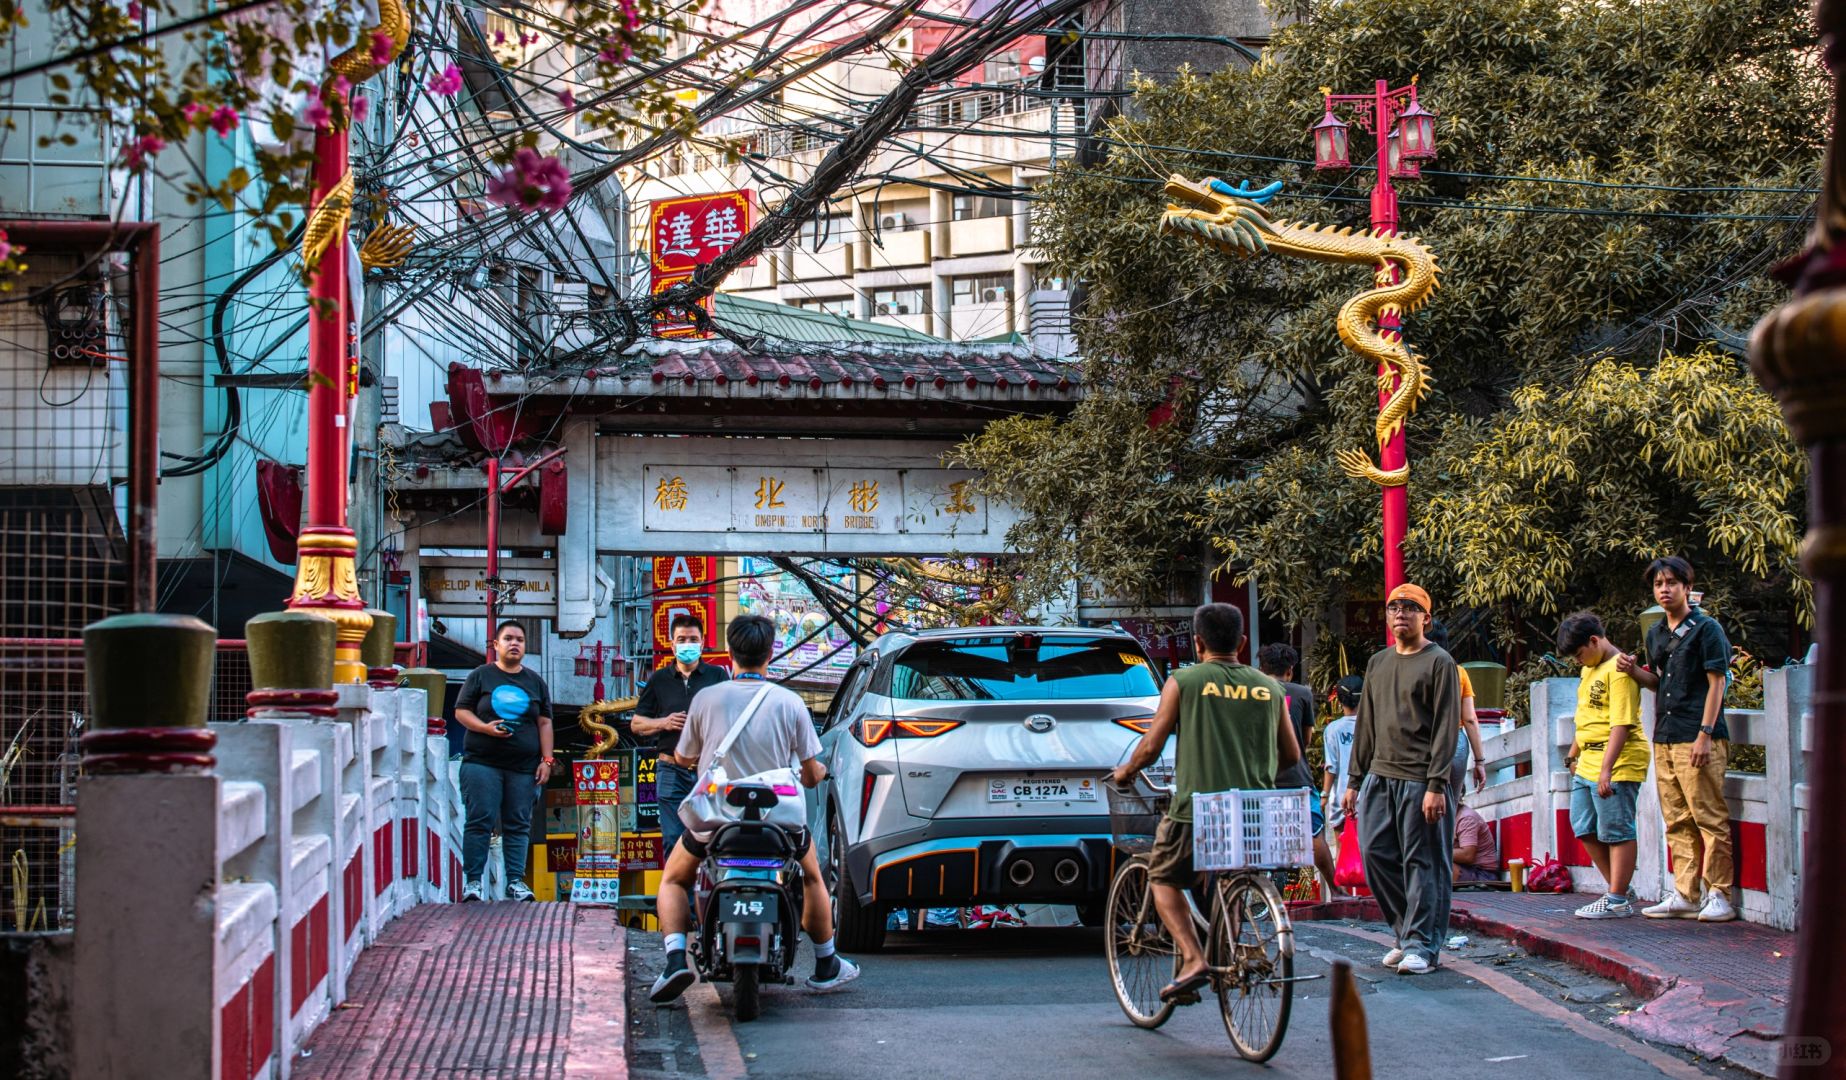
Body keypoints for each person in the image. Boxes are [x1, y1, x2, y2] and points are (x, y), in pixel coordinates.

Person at [649, 614, 860, 1003]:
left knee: (674, 878)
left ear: (729, 653)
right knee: (813, 876)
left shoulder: (705, 699)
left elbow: (684, 756)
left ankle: (676, 958)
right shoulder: (790, 702)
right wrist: (817, 771)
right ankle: (826, 962)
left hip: (717, 820)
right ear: (770, 654)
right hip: (778, 823)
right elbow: (811, 774)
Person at [1111, 603, 1301, 1003]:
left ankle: (1195, 958)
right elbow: (1292, 757)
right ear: (1242, 643)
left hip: (1197, 807)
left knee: (1162, 878)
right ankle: (1225, 955)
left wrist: (1126, 772)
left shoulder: (1185, 680)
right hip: (1254, 811)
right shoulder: (1269, 688)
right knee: (1231, 875)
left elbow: (1150, 746)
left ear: (1198, 643)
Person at [1341, 583, 1461, 975]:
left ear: (1425, 617)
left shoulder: (1439, 662)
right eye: (1394, 607)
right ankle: (1406, 931)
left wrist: (1436, 784)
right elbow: (1367, 725)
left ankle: (1422, 946)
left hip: (1419, 778)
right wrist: (1353, 780)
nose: (1400, 614)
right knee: (1376, 856)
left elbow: (1447, 727)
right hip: (1379, 775)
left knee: (1423, 861)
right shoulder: (1378, 662)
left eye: (1410, 608)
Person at [1617, 556, 1737, 922]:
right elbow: (1659, 682)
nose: (1664, 589)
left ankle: (1720, 894)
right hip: (1665, 735)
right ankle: (1685, 893)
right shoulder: (1656, 633)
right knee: (1677, 819)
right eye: (1658, 584)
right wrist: (1633, 671)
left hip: (1697, 735)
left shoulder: (1707, 628)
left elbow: (1718, 683)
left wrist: (1704, 734)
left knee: (1709, 817)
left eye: (1671, 582)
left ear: (1688, 588)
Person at [454, 620, 554, 902]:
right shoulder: (481, 676)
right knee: (480, 819)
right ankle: (473, 881)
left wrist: (547, 760)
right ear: (496, 645)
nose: (514, 643)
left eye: (520, 639)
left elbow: (545, 722)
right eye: (508, 638)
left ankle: (516, 881)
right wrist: (485, 728)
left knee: (518, 822)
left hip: (523, 767)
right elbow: (461, 712)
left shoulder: (535, 682)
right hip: (482, 762)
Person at [1558, 611, 1649, 918]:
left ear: (1594, 641)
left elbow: (1620, 724)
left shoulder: (1620, 669)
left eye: (1579, 653)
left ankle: (1617, 899)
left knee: (1616, 829)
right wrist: (1572, 754)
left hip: (1618, 760)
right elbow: (1585, 717)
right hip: (1587, 759)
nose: (1578, 660)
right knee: (1582, 824)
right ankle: (1618, 887)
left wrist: (1606, 770)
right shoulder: (1589, 670)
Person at [632, 613, 730, 857]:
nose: (688, 644)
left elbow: (731, 717)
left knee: (714, 838)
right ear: (672, 644)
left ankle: (707, 894)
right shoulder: (658, 679)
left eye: (693, 639)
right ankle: (678, 895)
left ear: (702, 642)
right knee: (673, 841)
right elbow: (636, 724)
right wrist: (663, 722)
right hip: (670, 770)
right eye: (682, 639)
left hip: (708, 770)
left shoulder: (717, 676)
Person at [1257, 642, 1339, 902]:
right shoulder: (1301, 692)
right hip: (1295, 775)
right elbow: (1305, 739)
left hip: (1260, 777)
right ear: (1290, 670)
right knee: (1312, 831)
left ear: (1261, 668)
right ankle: (1335, 890)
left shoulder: (1250, 691)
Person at [1427, 621, 1488, 800]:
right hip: (1455, 742)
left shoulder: (1415, 671)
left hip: (1424, 740)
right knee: (1451, 805)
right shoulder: (1459, 672)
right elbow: (1469, 719)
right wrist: (1479, 761)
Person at [1321, 674, 1362, 881]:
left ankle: (1347, 895)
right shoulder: (1372, 726)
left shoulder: (1332, 730)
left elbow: (1331, 767)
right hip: (1370, 795)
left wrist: (1324, 795)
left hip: (1341, 796)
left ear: (1339, 700)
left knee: (1342, 850)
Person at [1451, 794, 1500, 883]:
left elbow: (1467, 855)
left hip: (1484, 875)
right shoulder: (1445, 817)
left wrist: (1435, 852)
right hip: (1464, 869)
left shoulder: (1466, 818)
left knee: (1437, 863)